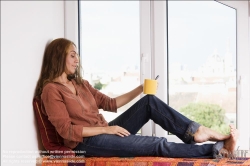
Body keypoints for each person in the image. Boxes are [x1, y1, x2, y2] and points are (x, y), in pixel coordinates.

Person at [35, 38, 238, 159]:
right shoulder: (51, 91)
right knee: (156, 144)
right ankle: (216, 150)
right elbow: (66, 131)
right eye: (72, 55)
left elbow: (111, 104)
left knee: (149, 102)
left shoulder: (81, 83)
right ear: (58, 57)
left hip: (105, 131)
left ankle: (196, 131)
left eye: (77, 55)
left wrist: (141, 89)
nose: (77, 59)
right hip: (85, 143)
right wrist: (107, 129)